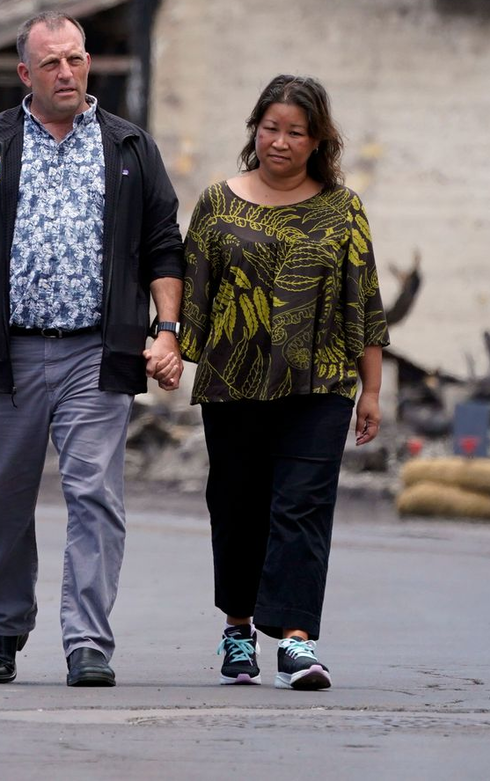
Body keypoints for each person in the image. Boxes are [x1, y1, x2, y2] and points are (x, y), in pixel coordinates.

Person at [0, 12, 184, 687]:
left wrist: (167, 327)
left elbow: (163, 243)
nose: (66, 73)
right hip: (2, 355)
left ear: (88, 61)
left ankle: (89, 639)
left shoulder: (128, 147)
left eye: (75, 59)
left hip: (96, 354)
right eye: (51, 64)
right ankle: (5, 624)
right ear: (25, 74)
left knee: (95, 494)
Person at [179, 75, 388, 690]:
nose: (280, 141)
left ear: (317, 139)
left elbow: (365, 304)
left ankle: (297, 641)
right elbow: (193, 292)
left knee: (303, 505)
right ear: (254, 129)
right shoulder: (218, 203)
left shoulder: (342, 208)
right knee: (238, 505)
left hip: (319, 382)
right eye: (270, 127)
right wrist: (168, 349)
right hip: (232, 383)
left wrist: (370, 390)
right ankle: (238, 631)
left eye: (295, 131)